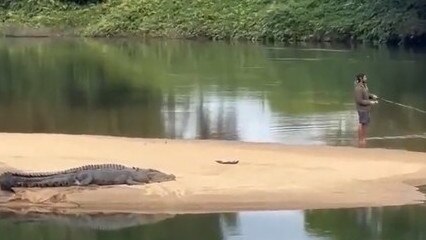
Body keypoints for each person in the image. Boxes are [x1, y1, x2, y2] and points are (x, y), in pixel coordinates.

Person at [354, 73, 378, 147]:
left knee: (365, 124)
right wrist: (371, 102)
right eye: (365, 77)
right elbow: (359, 100)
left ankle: (364, 139)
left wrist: (372, 96)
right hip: (362, 109)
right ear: (361, 79)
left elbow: (366, 95)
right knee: (362, 123)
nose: (366, 78)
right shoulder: (358, 88)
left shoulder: (364, 86)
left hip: (366, 109)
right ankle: (361, 140)